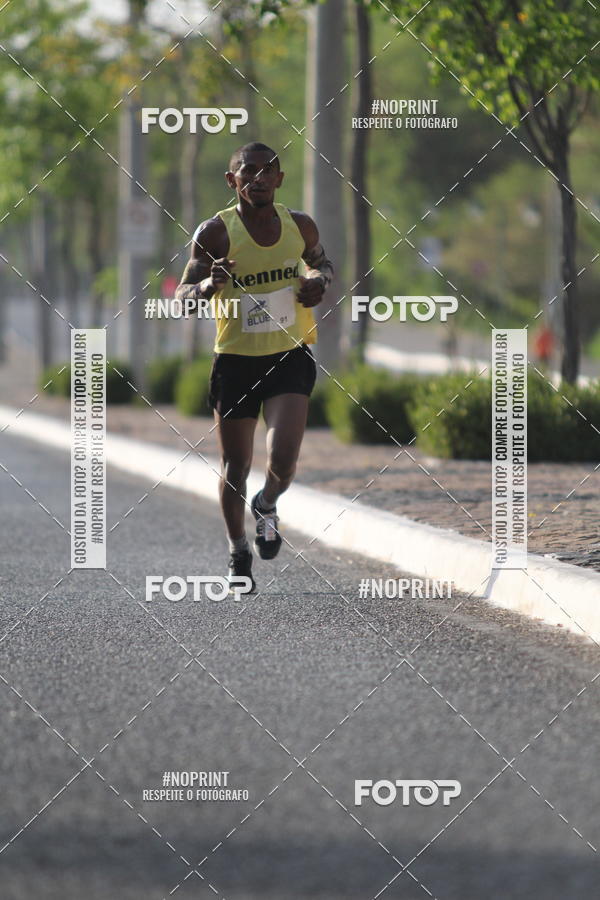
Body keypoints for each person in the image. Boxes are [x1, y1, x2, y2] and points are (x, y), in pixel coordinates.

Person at [176, 142, 333, 592]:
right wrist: (208, 284)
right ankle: (238, 548)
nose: (258, 179)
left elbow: (325, 266)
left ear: (279, 179)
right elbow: (181, 299)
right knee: (236, 466)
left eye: (268, 172)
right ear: (233, 181)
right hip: (236, 363)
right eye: (249, 172)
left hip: (289, 354)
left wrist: (317, 284)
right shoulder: (215, 233)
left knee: (283, 460)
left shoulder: (299, 225)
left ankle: (267, 503)